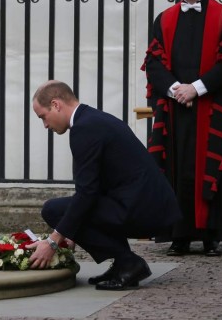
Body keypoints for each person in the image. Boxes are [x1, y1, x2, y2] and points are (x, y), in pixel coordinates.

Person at [27, 80, 181, 291]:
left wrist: (54, 240)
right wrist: (71, 231)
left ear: (56, 104)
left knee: (53, 210)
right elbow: (96, 188)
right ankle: (122, 264)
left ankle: (128, 263)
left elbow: (87, 193)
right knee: (72, 213)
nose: (45, 125)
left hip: (144, 210)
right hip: (148, 205)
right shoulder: (93, 119)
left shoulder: (84, 128)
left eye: (43, 117)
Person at [141, 0, 222, 257]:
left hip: (211, 107)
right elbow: (153, 62)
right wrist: (176, 89)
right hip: (176, 109)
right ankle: (179, 236)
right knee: (176, 171)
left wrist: (196, 89)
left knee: (212, 168)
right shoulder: (163, 19)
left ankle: (212, 236)